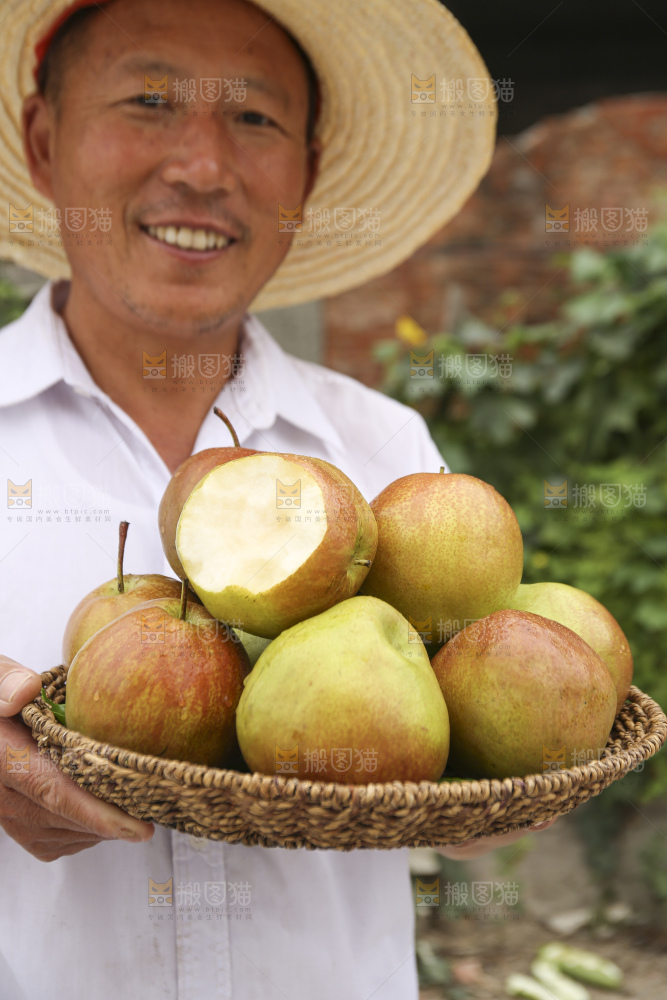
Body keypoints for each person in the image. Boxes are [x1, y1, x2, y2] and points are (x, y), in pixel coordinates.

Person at [0, 1, 554, 996]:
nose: (203, 167)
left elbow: (464, 743)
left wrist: (520, 758)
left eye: (254, 119)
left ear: (308, 168)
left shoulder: (389, 457)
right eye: (149, 99)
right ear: (44, 142)